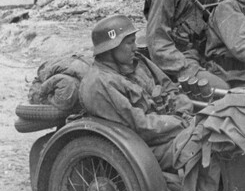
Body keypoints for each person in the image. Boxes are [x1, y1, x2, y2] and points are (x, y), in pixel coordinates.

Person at [79, 14, 193, 173]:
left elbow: (169, 87)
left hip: (167, 130)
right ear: (111, 48)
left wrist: (182, 107)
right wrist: (181, 123)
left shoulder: (136, 62)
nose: (135, 47)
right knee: (206, 144)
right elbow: (140, 126)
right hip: (144, 150)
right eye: (129, 42)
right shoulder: (100, 84)